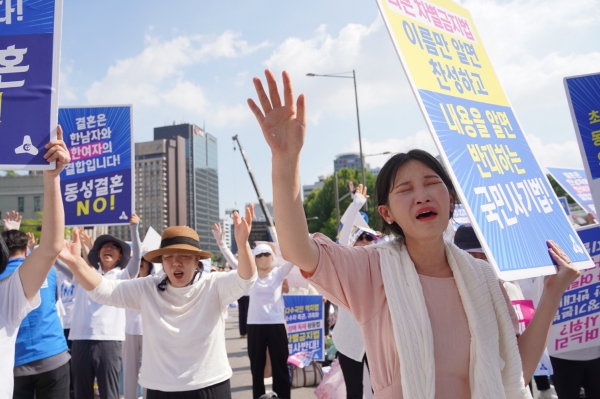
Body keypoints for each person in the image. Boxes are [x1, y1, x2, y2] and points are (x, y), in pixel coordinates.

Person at [247, 69, 580, 398]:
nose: (422, 195)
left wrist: (552, 293)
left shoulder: (484, 279)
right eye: (405, 189)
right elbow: (298, 250)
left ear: (450, 199)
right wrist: (285, 160)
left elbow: (515, 372)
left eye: (432, 183)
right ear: (386, 213)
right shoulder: (371, 271)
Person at [57, 206, 258, 398]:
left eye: (184, 256)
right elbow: (104, 291)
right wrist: (76, 263)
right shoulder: (147, 288)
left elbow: (246, 279)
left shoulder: (214, 285)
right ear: (162, 261)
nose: (176, 262)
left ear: (197, 261)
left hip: (209, 383)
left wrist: (243, 244)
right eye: (169, 257)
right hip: (159, 388)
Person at [0, 128, 70, 399]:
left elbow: (52, 246)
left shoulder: (6, 293)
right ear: (26, 247)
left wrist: (52, 178)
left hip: (44, 360)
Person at [453, 224, 557, 399]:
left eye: (483, 256)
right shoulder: (449, 293)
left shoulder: (508, 287)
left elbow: (520, 354)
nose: (478, 262)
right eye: (471, 256)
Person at [55, 214, 142, 399]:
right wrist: (53, 246)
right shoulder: (84, 274)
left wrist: (134, 229)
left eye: (114, 247)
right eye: (105, 245)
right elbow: (56, 262)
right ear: (98, 252)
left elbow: (136, 262)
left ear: (120, 257)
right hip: (80, 339)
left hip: (109, 341)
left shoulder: (122, 276)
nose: (109, 248)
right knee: (81, 393)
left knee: (109, 393)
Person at [333, 184, 376, 399]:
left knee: (382, 390)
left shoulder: (381, 264)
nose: (366, 242)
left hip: (377, 339)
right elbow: (343, 234)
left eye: (370, 239)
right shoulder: (345, 264)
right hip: (348, 339)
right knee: (354, 392)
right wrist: (357, 202)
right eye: (362, 238)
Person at [246, 243, 294, 399]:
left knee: (280, 366)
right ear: (254, 258)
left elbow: (294, 259)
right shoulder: (250, 275)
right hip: (255, 325)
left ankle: (283, 396)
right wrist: (221, 244)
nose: (263, 257)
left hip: (276, 324)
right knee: (257, 368)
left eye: (266, 254)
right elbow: (234, 262)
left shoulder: (279, 273)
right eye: (259, 255)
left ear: (272, 256)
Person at [122, 256, 154, 399]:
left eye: (144, 261)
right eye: (138, 260)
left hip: (150, 332)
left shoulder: (155, 282)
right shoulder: (127, 281)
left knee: (149, 371)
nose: (141, 263)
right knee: (129, 371)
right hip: (129, 330)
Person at [212, 222, 249, 338]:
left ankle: (247, 332)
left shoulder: (264, 270)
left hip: (252, 298)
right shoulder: (242, 266)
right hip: (243, 294)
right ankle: (244, 332)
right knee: (243, 313)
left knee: (247, 313)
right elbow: (231, 258)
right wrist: (221, 243)